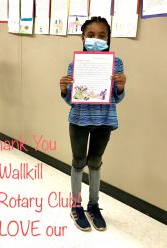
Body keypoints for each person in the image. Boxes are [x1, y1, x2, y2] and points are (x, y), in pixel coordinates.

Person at [59, 17, 126, 231]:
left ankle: (94, 205)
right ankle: (76, 205)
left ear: (108, 39)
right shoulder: (74, 64)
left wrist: (121, 87)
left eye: (102, 35)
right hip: (79, 119)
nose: (96, 39)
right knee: (79, 161)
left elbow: (116, 97)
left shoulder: (116, 64)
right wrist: (63, 89)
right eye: (90, 35)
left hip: (104, 120)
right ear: (82, 38)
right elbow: (71, 99)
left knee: (96, 161)